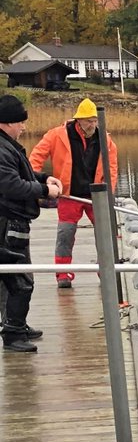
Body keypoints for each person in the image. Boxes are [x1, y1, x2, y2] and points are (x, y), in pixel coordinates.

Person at [29, 98, 117, 289]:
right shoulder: (57, 135)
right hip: (69, 195)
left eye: (95, 120)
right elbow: (36, 156)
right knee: (65, 234)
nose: (92, 125)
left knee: (105, 234)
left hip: (96, 196)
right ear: (78, 120)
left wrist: (109, 193)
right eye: (88, 121)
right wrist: (34, 182)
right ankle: (63, 273)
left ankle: (106, 269)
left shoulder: (106, 140)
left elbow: (112, 168)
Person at [0, 95, 62, 351]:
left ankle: (17, 324)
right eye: (20, 123)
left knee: (17, 276)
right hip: (6, 223)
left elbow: (22, 172)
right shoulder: (1, 148)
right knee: (19, 279)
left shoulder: (8, 145)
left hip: (15, 221)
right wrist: (44, 191)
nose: (24, 127)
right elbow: (10, 184)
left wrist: (44, 178)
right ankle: (13, 334)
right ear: (7, 123)